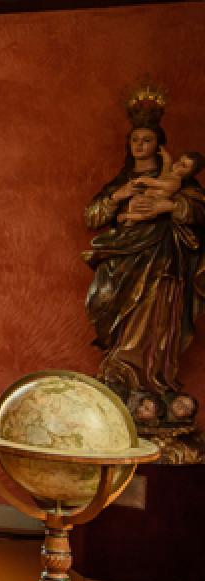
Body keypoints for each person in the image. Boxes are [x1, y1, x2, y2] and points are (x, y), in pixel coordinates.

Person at [83, 91, 205, 427]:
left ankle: (155, 382)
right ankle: (121, 378)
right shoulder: (121, 183)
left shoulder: (180, 183)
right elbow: (91, 217)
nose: (140, 145)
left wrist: (170, 206)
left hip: (166, 261)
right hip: (124, 263)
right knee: (122, 315)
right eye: (134, 139)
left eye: (147, 139)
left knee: (160, 318)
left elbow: (198, 210)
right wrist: (117, 199)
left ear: (159, 144)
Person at [117, 149, 204, 224]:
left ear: (189, 174)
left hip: (153, 201)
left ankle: (128, 216)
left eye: (184, 166)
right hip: (145, 196)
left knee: (145, 214)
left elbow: (157, 183)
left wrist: (143, 180)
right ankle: (130, 221)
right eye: (179, 161)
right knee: (133, 202)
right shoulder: (168, 173)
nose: (178, 164)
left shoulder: (175, 182)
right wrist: (164, 154)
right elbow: (167, 163)